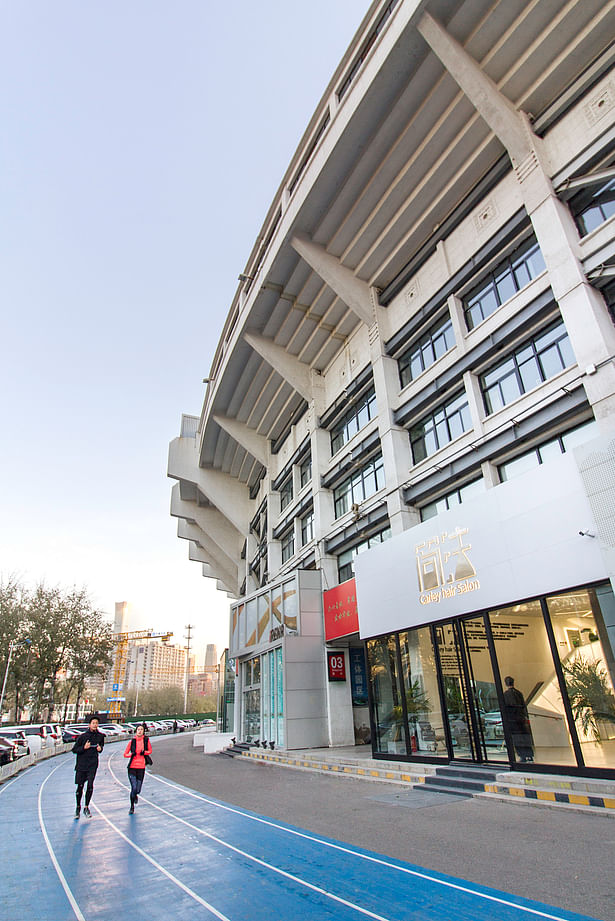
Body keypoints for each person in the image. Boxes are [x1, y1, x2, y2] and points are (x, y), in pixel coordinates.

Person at [72, 714, 105, 819]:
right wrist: (84, 748)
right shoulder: (83, 737)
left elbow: (101, 747)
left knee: (90, 785)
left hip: (93, 764)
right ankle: (78, 807)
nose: (95, 725)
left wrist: (100, 749)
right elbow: (74, 750)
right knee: (80, 786)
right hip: (82, 765)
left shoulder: (100, 736)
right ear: (89, 725)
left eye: (97, 723)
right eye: (93, 723)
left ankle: (86, 806)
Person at [503, 676, 535, 762]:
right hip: (520, 718)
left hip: (513, 720)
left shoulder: (506, 695)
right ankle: (529, 754)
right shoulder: (519, 693)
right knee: (524, 737)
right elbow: (523, 706)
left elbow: (506, 708)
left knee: (517, 738)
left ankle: (523, 755)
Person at [123, 722, 152, 814]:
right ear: (136, 731)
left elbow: (150, 751)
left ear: (143, 731)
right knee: (134, 787)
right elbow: (125, 754)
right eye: (138, 730)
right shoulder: (132, 742)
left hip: (141, 767)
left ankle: (135, 795)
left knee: (138, 789)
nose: (139, 731)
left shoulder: (146, 741)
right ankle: (131, 807)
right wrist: (131, 754)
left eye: (141, 730)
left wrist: (145, 753)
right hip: (132, 767)